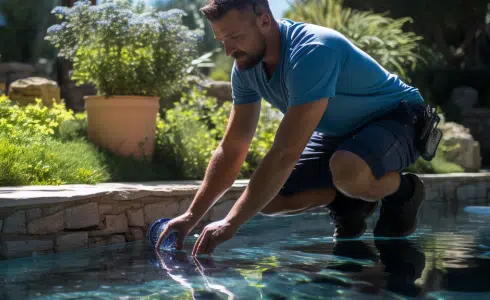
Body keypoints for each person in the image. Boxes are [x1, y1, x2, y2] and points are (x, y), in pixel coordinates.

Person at [155, 0, 438, 256]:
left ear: (264, 21)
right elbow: (232, 149)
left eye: (235, 37)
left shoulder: (313, 51)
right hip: (339, 132)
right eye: (221, 40)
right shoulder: (246, 67)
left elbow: (285, 153)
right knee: (268, 199)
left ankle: (405, 191)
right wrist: (191, 216)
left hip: (398, 116)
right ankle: (348, 201)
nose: (228, 50)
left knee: (347, 168)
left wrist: (230, 223)